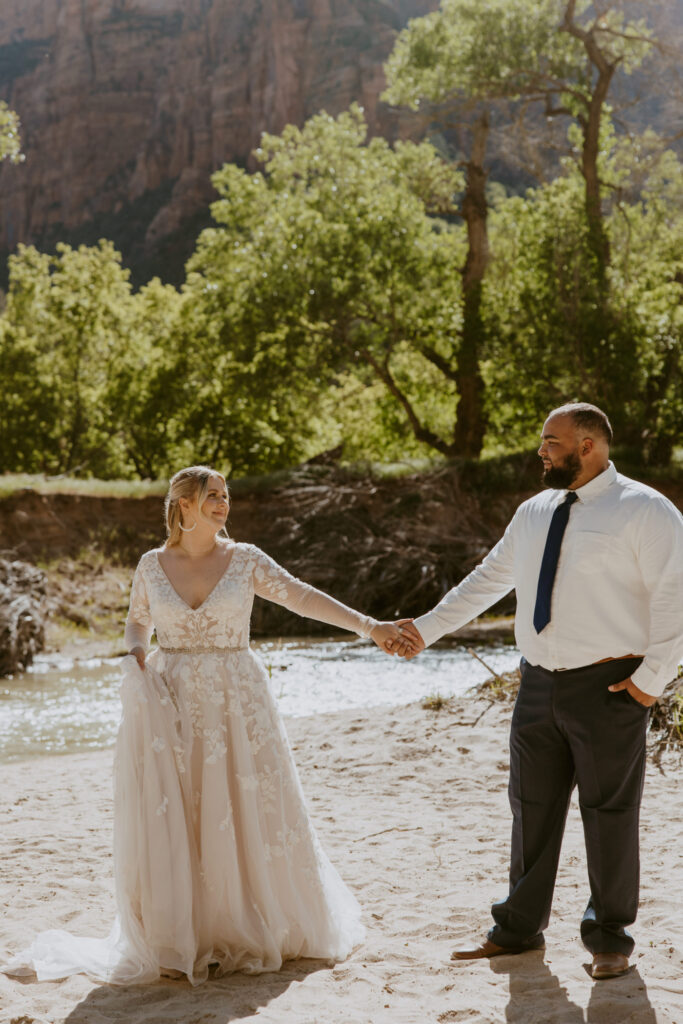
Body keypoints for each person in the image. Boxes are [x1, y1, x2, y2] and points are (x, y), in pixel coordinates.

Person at [3, 465, 413, 985]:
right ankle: (189, 932)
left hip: (238, 701)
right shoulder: (152, 564)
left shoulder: (245, 560)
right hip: (172, 698)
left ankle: (250, 925)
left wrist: (370, 626)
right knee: (186, 811)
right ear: (185, 505)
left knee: (244, 809)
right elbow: (138, 620)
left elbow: (300, 595)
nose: (223, 503)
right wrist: (135, 649)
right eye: (212, 495)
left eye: (226, 495)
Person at [394, 403, 683, 980]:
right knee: (529, 809)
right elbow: (489, 579)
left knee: (609, 813)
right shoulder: (533, 511)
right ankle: (518, 929)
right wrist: (424, 630)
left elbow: (676, 599)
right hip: (536, 683)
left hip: (610, 686)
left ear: (589, 446)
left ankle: (608, 939)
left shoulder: (647, 511)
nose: (541, 451)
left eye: (552, 442)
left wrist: (649, 685)